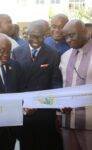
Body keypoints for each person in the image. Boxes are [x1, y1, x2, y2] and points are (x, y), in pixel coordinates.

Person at [12, 21, 63, 150]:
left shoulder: (53, 54)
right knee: (26, 145)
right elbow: (15, 82)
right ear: (26, 35)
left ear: (45, 36)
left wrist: (57, 110)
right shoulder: (16, 52)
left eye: (39, 36)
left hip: (45, 111)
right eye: (31, 36)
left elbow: (55, 82)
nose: (35, 40)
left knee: (44, 145)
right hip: (23, 110)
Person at [59, 19, 92, 150]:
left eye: (72, 35)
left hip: (90, 123)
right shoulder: (64, 56)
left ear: (85, 32)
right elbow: (63, 86)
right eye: (65, 36)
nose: (68, 40)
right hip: (68, 121)